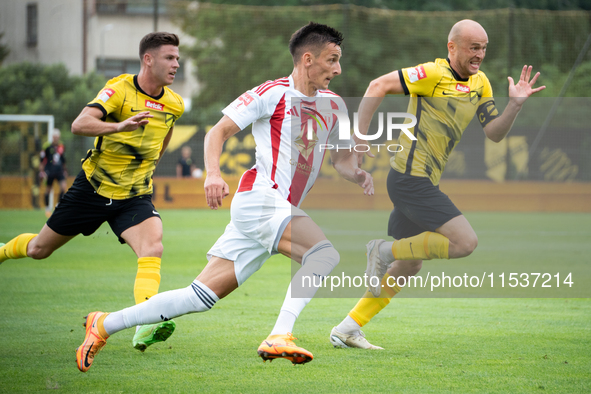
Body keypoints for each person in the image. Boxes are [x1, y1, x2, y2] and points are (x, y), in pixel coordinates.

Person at [74, 21, 373, 372]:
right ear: (308, 59)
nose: (338, 69)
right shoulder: (272, 93)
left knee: (199, 297)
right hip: (260, 198)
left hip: (274, 209)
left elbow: (340, 161)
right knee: (323, 254)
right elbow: (217, 132)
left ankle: (103, 324)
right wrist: (213, 174)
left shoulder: (334, 105)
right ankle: (280, 335)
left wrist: (357, 173)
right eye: (332, 60)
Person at [329, 19, 545, 349]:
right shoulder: (431, 74)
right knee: (464, 242)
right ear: (452, 47)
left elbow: (494, 133)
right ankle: (381, 250)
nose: (480, 55)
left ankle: (347, 328)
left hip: (422, 180)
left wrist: (515, 105)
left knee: (410, 263)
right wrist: (359, 142)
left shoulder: (481, 83)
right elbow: (376, 86)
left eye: (484, 48)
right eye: (474, 47)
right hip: (408, 179)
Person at [0, 32, 184, 353]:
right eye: (170, 58)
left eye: (177, 58)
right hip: (92, 189)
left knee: (152, 247)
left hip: (134, 194)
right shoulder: (119, 89)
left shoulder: (174, 103)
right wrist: (118, 127)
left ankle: (145, 324)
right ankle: (2, 251)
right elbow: (80, 123)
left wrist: (153, 157)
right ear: (148, 59)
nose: (176, 64)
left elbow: (164, 133)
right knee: (38, 249)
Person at [39, 128, 68, 217]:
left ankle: (58, 205)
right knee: (48, 189)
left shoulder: (61, 146)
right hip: (49, 170)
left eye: (57, 136)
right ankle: (47, 208)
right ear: (52, 137)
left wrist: (65, 170)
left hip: (59, 171)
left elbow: (62, 159)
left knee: (63, 187)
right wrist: (41, 171)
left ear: (58, 137)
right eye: (54, 136)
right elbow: (42, 159)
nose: (56, 138)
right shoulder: (47, 146)